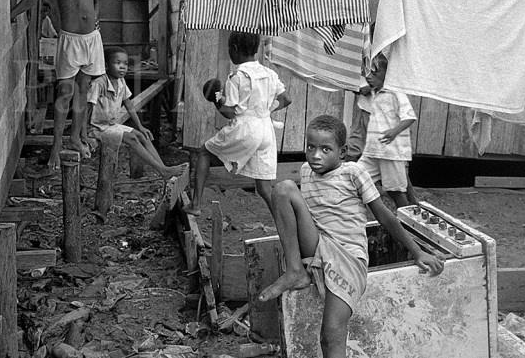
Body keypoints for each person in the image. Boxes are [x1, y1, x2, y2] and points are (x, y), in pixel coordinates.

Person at [258, 115, 444, 358]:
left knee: (330, 336)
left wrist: (417, 251)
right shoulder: (305, 171)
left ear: (342, 152)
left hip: (348, 256)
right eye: (310, 147)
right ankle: (295, 272)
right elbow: (297, 213)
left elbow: (384, 216)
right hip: (317, 245)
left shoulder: (354, 173)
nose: (316, 155)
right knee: (282, 189)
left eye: (326, 149)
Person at [11, 0, 103, 168]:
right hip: (70, 41)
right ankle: (56, 147)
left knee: (83, 89)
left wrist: (95, 21)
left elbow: (95, 5)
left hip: (92, 40)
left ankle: (75, 137)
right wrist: (11, 14)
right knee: (65, 93)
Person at [183, 31, 292, 216]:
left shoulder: (237, 76)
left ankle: (195, 205)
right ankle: (285, 221)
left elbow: (230, 112)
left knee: (203, 152)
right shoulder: (270, 73)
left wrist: (217, 99)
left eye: (229, 50)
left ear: (234, 49)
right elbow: (286, 99)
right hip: (266, 130)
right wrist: (266, 111)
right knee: (264, 187)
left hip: (246, 130)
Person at [86, 46, 187, 180]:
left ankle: (164, 169)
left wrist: (140, 126)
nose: (123, 67)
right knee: (132, 139)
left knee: (141, 135)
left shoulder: (121, 81)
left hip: (110, 125)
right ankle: (162, 170)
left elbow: (128, 103)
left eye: (125, 64)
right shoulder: (99, 84)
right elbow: (85, 109)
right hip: (96, 128)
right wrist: (83, 134)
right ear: (106, 66)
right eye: (117, 63)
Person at [357, 52, 419, 207]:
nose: (369, 77)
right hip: (372, 150)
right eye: (368, 73)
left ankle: (407, 223)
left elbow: (409, 116)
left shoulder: (396, 92)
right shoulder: (375, 92)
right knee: (355, 178)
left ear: (388, 74)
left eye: (375, 72)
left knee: (395, 191)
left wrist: (393, 132)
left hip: (390, 152)